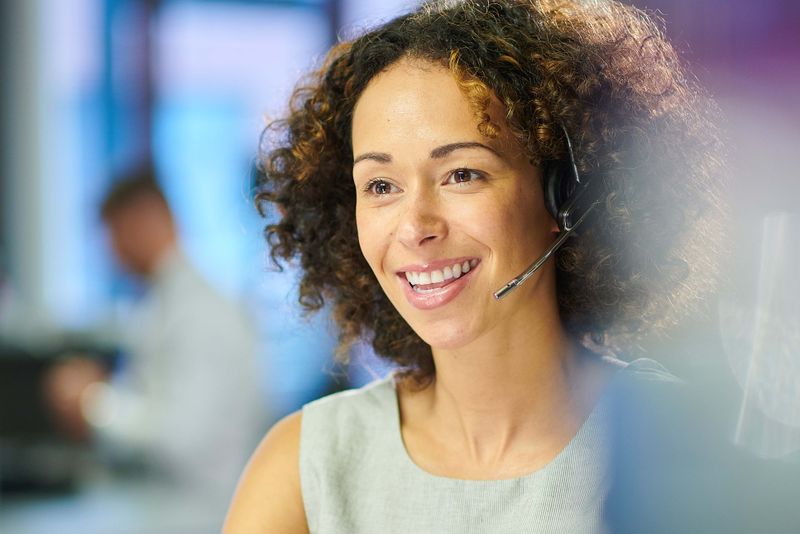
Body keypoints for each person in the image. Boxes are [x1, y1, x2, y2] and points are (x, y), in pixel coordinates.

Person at [224, 0, 729, 532]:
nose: (415, 226)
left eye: (462, 174)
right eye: (380, 186)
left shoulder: (681, 450)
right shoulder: (305, 466)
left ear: (570, 194)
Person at [44, 167, 265, 500]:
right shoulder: (162, 303)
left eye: (113, 234)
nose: (111, 253)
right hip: (169, 502)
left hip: (197, 509)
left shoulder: (200, 312)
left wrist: (93, 401)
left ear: (144, 220)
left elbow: (183, 438)